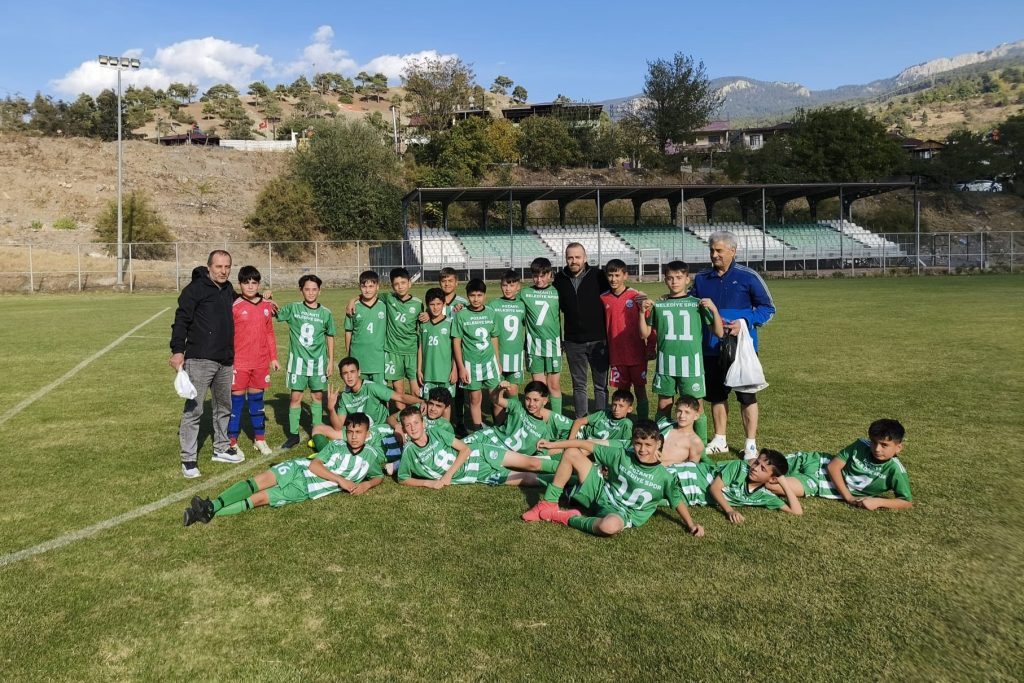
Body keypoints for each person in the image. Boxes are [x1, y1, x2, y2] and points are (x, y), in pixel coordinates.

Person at [183, 412, 384, 525]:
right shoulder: (336, 445)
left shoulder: (371, 456)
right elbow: (315, 465)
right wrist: (341, 480)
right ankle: (212, 505)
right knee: (256, 482)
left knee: (260, 498)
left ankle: (206, 512)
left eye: (358, 432)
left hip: (306, 488)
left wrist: (367, 485)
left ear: (367, 435)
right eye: (350, 432)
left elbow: (378, 476)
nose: (354, 436)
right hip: (298, 467)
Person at [521, 420, 705, 538]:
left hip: (621, 513)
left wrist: (691, 524)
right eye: (638, 444)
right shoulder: (622, 455)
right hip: (599, 491)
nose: (642, 449)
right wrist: (554, 444)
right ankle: (548, 504)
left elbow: (676, 500)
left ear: (658, 444)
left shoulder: (664, 476)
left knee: (610, 527)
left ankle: (563, 517)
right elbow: (584, 444)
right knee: (571, 453)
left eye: (648, 445)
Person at [691, 231, 777, 460]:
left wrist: (745, 323)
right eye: (712, 250)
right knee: (717, 395)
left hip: (742, 348)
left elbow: (768, 308)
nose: (714, 254)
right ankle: (720, 439)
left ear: (733, 251)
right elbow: (690, 306)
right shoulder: (701, 279)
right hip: (710, 346)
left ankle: (750, 444)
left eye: (719, 250)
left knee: (747, 396)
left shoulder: (749, 276)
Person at [169, 249, 238, 478]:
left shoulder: (228, 289)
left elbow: (242, 306)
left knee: (223, 407)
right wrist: (178, 351)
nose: (223, 271)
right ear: (209, 267)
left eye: (227, 266)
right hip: (200, 359)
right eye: (219, 267)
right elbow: (181, 321)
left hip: (225, 360)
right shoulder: (195, 290)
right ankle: (188, 459)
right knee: (194, 409)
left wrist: (263, 299)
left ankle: (221, 448)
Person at [639, 261, 723, 443]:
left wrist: (715, 310)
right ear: (665, 280)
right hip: (665, 364)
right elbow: (644, 333)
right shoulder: (659, 305)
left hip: (691, 365)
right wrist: (641, 313)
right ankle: (660, 442)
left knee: (696, 407)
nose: (674, 282)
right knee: (664, 405)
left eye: (678, 278)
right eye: (670, 278)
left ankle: (699, 448)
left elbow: (719, 332)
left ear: (687, 279)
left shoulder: (697, 304)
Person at [771, 419, 913, 510]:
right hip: (814, 461)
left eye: (884, 445)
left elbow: (906, 501)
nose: (877, 448)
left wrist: (878, 502)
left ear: (898, 448)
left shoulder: (895, 470)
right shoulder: (860, 445)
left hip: (816, 483)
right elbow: (833, 466)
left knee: (770, 484)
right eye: (874, 442)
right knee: (760, 464)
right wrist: (849, 497)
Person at [396, 407, 556, 488]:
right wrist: (427, 483)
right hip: (479, 473)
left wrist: (447, 476)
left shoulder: (436, 432)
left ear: (423, 423)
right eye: (408, 425)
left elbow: (465, 449)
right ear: (403, 429)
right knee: (527, 479)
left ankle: (572, 468)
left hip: (481, 452)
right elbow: (402, 478)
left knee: (532, 463)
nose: (413, 428)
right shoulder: (410, 451)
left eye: (416, 423)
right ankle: (571, 481)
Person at [276, 274, 335, 450]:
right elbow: (275, 313)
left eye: (314, 289)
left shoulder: (326, 313)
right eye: (307, 289)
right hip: (297, 363)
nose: (310, 293)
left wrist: (331, 361)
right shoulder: (293, 308)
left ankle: (316, 432)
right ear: (301, 290)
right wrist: (267, 299)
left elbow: (330, 336)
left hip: (318, 363)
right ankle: (293, 435)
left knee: (317, 397)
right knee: (296, 397)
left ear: (320, 291)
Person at [227, 266, 280, 458]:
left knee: (257, 402)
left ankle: (260, 439)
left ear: (258, 284)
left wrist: (273, 357)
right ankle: (231, 442)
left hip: (260, 362)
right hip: (239, 362)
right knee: (237, 403)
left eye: (254, 282)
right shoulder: (234, 305)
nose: (250, 286)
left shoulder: (266, 305)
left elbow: (269, 333)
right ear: (239, 284)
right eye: (246, 282)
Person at [554, 243, 610, 418]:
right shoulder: (559, 279)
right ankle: (581, 420)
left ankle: (601, 419)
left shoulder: (599, 276)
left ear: (585, 258)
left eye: (578, 257)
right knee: (579, 385)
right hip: (573, 342)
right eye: (570, 257)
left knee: (600, 385)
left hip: (598, 340)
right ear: (566, 259)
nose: (574, 261)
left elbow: (617, 291)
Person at [601, 259, 653, 420]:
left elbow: (651, 324)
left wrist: (651, 347)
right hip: (616, 355)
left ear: (625, 276)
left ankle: (643, 422)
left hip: (637, 354)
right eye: (610, 275)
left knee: (640, 389)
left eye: (617, 275)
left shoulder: (637, 297)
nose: (613, 279)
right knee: (621, 393)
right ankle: (622, 425)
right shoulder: (603, 298)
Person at [466, 381, 573, 456]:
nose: (531, 404)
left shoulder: (543, 430)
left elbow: (539, 455)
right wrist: (499, 390)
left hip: (503, 455)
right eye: (528, 399)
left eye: (536, 400)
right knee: (456, 448)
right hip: (489, 438)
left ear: (544, 401)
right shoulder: (517, 406)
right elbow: (495, 400)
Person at [451, 279, 501, 431]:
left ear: (485, 295)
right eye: (472, 295)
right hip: (470, 364)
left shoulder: (491, 313)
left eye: (479, 295)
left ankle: (500, 429)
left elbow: (494, 338)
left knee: (496, 398)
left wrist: (497, 361)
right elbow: (456, 342)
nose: (476, 299)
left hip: (489, 363)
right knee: (475, 398)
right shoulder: (461, 315)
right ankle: (478, 430)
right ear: (467, 296)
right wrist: (461, 367)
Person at [706, 449, 803, 523]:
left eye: (763, 469)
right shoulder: (738, 467)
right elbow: (715, 488)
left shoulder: (763, 495)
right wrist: (730, 511)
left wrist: (784, 484)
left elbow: (797, 511)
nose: (755, 468)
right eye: (756, 462)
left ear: (773, 479)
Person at [327, 356, 421, 431]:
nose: (349, 376)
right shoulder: (344, 396)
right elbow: (338, 427)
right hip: (361, 433)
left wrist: (422, 402)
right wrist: (331, 409)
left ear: (359, 372)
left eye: (352, 372)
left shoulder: (371, 387)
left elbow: (400, 397)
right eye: (345, 373)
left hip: (381, 429)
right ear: (341, 376)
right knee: (321, 429)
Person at [521, 257, 564, 414]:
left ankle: (557, 420)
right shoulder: (525, 293)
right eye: (535, 276)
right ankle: (540, 419)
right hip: (534, 347)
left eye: (543, 275)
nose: (539, 280)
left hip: (553, 346)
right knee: (539, 389)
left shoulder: (557, 292)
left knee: (553, 386)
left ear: (550, 274)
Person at [489, 269, 527, 421]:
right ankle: (499, 426)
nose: (508, 289)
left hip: (516, 356)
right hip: (497, 355)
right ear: (500, 286)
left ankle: (515, 424)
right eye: (505, 285)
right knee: (498, 393)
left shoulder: (522, 305)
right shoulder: (493, 305)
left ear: (518, 287)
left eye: (512, 285)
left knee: (513, 392)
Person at [383, 267, 423, 409]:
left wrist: (428, 315)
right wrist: (353, 300)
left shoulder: (418, 304)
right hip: (393, 352)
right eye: (396, 284)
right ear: (392, 286)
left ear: (409, 283)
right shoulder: (388, 298)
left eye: (403, 282)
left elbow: (426, 321)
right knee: (398, 391)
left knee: (416, 391)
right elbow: (369, 295)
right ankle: (403, 421)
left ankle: (417, 421)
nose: (400, 286)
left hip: (412, 351)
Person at [345, 270, 387, 383]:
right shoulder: (353, 307)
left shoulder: (384, 305)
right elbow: (348, 331)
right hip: (358, 357)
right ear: (359, 287)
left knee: (380, 394)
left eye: (371, 286)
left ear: (377, 287)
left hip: (378, 359)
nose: (367, 290)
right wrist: (348, 353)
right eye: (364, 286)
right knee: (360, 394)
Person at [417, 288, 457, 404]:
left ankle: (445, 423)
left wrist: (454, 369)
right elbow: (420, 348)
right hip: (428, 372)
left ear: (444, 304)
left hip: (446, 373)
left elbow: (456, 349)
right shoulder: (423, 324)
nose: (435, 307)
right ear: (427, 305)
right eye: (432, 304)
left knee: (446, 404)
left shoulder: (450, 323)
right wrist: (419, 369)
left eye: (439, 304)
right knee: (429, 402)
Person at [657, 395, 713, 466]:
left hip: (665, 473)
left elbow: (691, 469)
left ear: (696, 416)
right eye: (679, 411)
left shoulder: (695, 442)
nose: (682, 416)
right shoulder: (666, 425)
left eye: (687, 412)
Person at [568, 389, 635, 446]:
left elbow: (625, 445)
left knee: (577, 450)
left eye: (621, 406)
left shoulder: (626, 424)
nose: (616, 409)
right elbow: (579, 421)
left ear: (629, 409)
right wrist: (570, 441)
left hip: (595, 446)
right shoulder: (605, 413)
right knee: (557, 420)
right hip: (582, 434)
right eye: (614, 404)